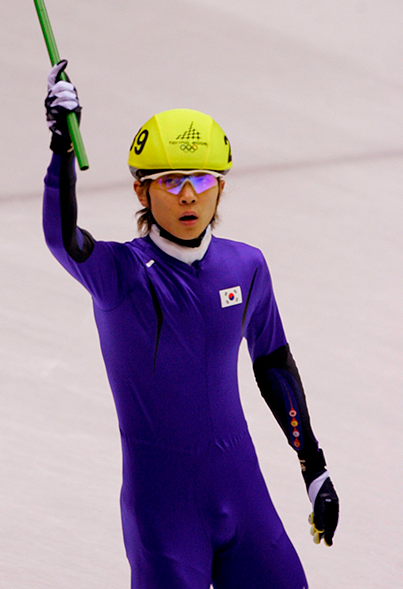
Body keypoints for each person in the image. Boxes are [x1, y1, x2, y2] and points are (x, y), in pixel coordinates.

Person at [42, 60, 339, 589]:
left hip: (243, 495)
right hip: (165, 511)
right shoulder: (121, 274)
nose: (187, 195)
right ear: (141, 193)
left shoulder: (246, 266)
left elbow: (273, 364)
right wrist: (62, 149)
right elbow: (63, 239)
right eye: (170, 181)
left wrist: (313, 466)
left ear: (220, 188)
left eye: (201, 180)